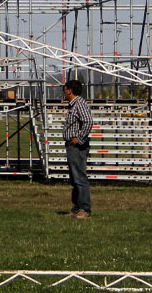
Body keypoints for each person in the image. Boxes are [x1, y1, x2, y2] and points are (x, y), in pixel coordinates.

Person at [62, 78, 93, 219]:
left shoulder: (79, 103)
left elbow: (88, 121)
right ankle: (77, 208)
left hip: (77, 146)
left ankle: (84, 209)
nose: (64, 91)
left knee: (79, 177)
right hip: (71, 145)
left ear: (70, 90)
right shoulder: (73, 105)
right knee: (75, 178)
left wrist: (79, 139)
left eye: (65, 88)